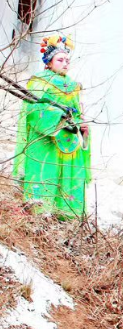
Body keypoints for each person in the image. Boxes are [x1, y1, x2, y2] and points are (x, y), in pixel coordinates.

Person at [11, 34, 91, 219]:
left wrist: (83, 128)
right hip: (45, 141)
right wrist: (58, 117)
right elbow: (33, 111)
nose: (65, 64)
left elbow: (78, 114)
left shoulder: (73, 86)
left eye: (67, 60)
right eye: (60, 60)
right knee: (45, 176)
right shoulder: (39, 82)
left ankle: (66, 218)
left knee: (67, 182)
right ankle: (39, 217)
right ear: (48, 62)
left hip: (70, 141)